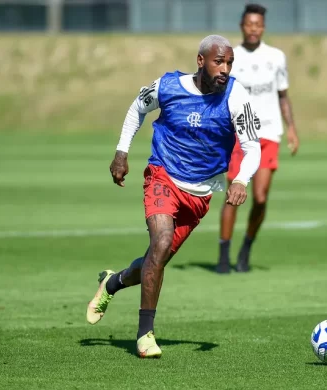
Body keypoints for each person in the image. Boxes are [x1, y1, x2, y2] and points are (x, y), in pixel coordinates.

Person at [86, 35, 261, 358]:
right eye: (218, 62)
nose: (225, 69)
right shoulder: (168, 86)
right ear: (200, 61)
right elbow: (136, 108)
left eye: (229, 63)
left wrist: (241, 180)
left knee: (157, 258)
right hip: (162, 175)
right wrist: (121, 153)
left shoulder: (237, 96)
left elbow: (252, 147)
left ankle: (113, 283)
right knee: (161, 241)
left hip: (201, 194)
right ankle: (145, 334)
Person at [216, 3, 300, 274]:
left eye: (259, 24)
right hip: (239, 135)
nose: (254, 28)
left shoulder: (276, 56)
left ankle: (245, 249)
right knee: (233, 194)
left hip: (268, 133)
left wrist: (291, 129)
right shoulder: (231, 57)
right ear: (242, 25)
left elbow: (283, 96)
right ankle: (223, 255)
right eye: (250, 24)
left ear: (263, 27)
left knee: (260, 198)